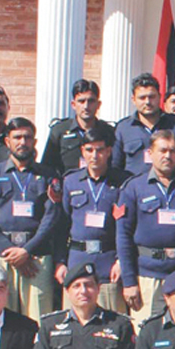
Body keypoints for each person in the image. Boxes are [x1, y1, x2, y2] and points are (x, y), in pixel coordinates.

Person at [0, 117, 62, 321]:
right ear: (7, 141)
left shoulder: (49, 175)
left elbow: (52, 216)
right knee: (0, 319)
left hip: (37, 258)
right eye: (17, 137)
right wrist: (10, 251)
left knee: (39, 319)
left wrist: (27, 251)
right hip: (1, 257)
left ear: (35, 142)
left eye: (28, 137)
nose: (23, 142)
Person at [115, 129, 175, 326]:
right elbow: (123, 235)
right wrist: (129, 282)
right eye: (162, 150)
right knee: (145, 330)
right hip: (147, 275)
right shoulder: (134, 187)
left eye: (173, 151)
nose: (167, 156)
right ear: (150, 153)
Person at [56, 126, 130, 312]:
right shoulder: (71, 182)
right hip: (77, 261)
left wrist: (121, 261)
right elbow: (61, 225)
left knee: (111, 321)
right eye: (89, 150)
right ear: (82, 151)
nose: (94, 155)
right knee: (76, 319)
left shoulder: (123, 182)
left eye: (99, 150)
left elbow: (128, 227)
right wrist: (60, 261)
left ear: (108, 151)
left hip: (108, 263)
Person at [111, 73, 175, 177]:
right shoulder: (123, 128)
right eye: (142, 98)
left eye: (151, 97)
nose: (147, 102)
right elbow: (115, 166)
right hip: (134, 190)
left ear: (159, 97)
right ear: (133, 100)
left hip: (169, 188)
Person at [41, 79, 114, 176]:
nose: (86, 106)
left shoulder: (108, 131)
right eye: (81, 101)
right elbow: (47, 166)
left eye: (91, 101)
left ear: (98, 104)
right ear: (73, 104)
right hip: (67, 187)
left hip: (100, 187)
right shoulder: (60, 131)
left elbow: (115, 164)